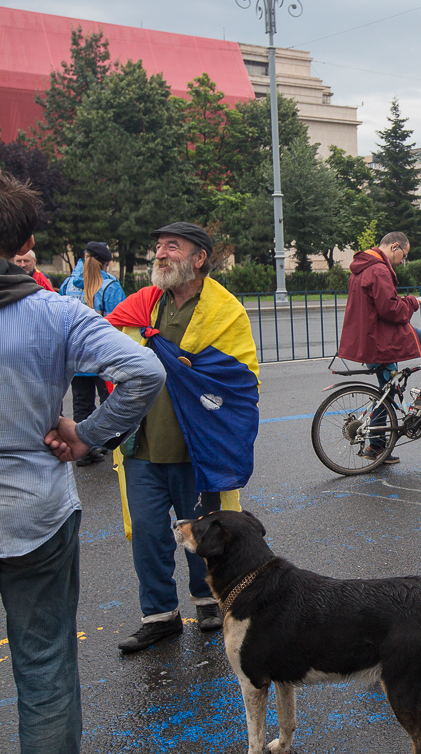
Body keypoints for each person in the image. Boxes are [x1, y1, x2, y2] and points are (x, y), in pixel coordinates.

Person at [0, 172, 164, 753]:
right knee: (45, 669)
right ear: (22, 244)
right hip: (34, 512)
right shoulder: (54, 312)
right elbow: (144, 371)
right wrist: (88, 436)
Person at [108, 222, 260, 653]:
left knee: (205, 533)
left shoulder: (225, 310)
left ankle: (208, 602)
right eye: (158, 246)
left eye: (171, 247)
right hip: (141, 446)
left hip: (197, 448)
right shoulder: (142, 304)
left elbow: (239, 377)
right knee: (148, 533)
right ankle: (158, 616)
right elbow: (113, 356)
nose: (160, 254)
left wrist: (190, 371)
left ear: (198, 259)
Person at [339, 231, 421, 464]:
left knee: (387, 392)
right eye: (404, 255)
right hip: (382, 339)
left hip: (368, 339)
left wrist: (401, 301)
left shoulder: (362, 267)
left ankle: (378, 447)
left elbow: (379, 304)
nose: (403, 261)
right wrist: (411, 302)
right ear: (395, 247)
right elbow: (391, 311)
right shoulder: (379, 269)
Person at [60, 242, 127, 466]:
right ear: (106, 262)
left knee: (81, 403)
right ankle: (113, 445)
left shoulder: (68, 283)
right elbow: (120, 321)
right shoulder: (110, 285)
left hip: (75, 356)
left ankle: (84, 449)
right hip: (103, 355)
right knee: (111, 400)